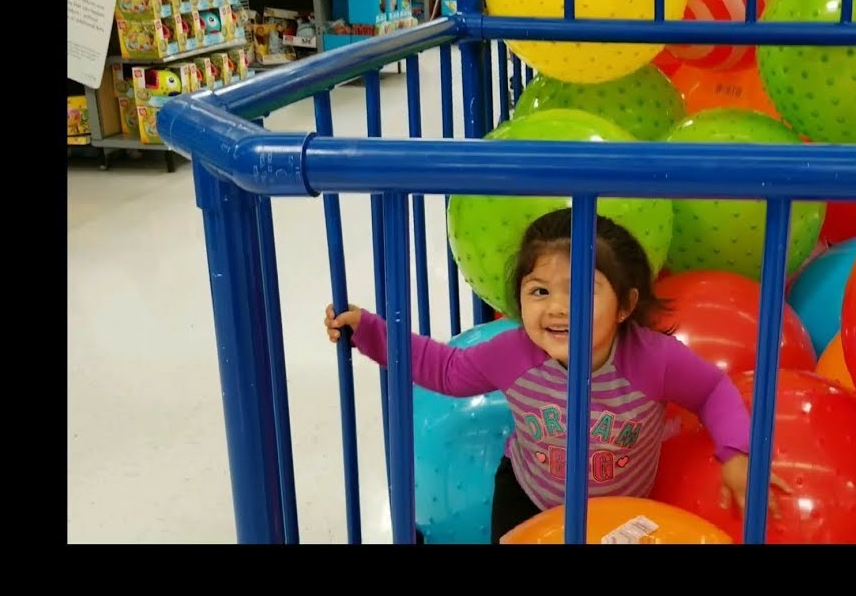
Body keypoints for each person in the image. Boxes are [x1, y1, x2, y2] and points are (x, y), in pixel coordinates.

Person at [323, 208, 790, 544]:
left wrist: (736, 453)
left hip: (619, 510)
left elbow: (712, 390)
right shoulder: (514, 353)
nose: (558, 308)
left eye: (582, 290)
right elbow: (447, 370)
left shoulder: (653, 360)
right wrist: (372, 333)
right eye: (539, 291)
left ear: (626, 306)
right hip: (528, 496)